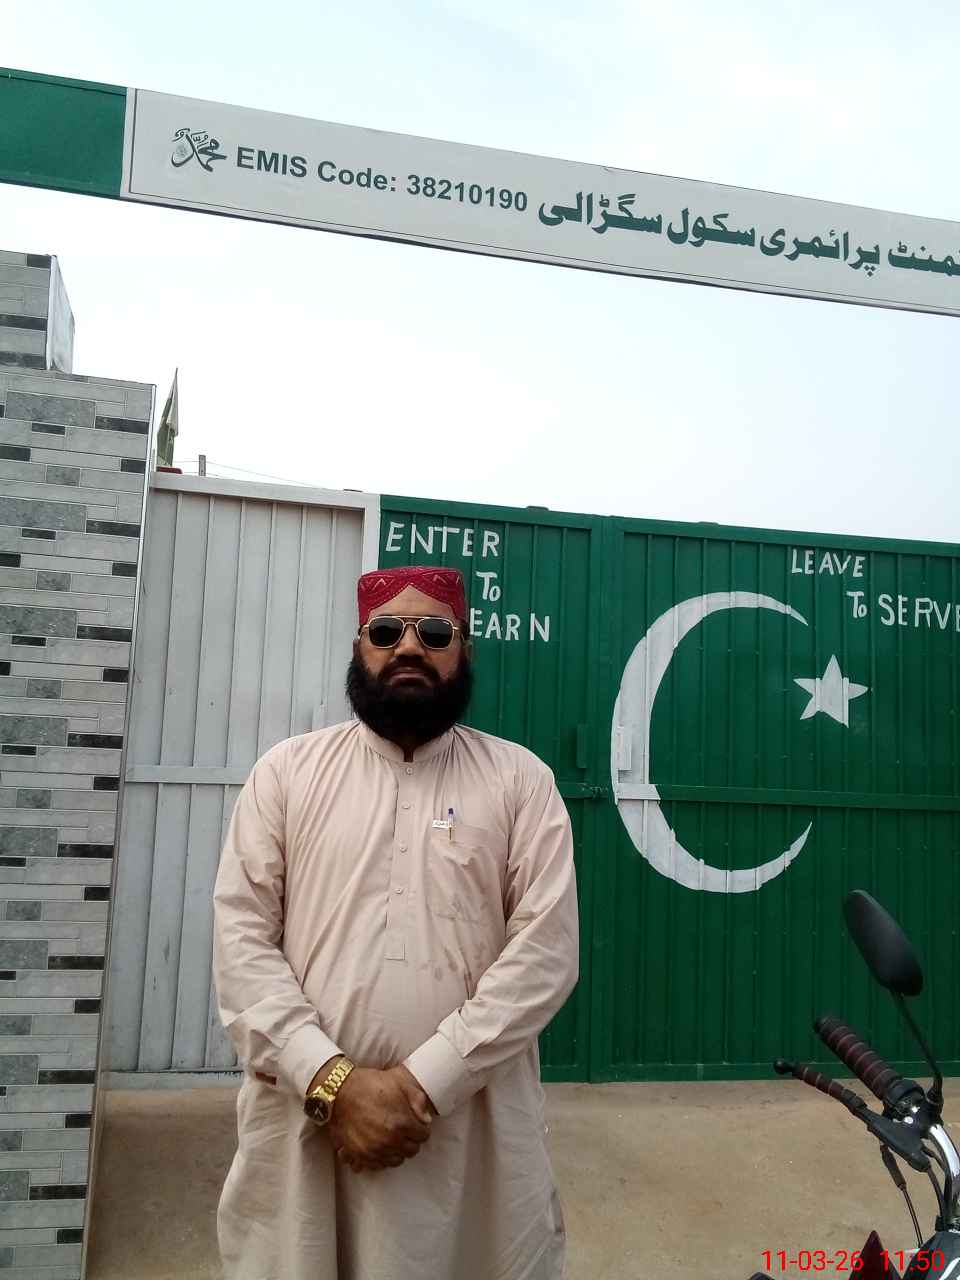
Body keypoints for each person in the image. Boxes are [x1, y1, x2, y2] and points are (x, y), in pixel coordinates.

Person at [213, 564, 579, 1280]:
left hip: (469, 1140)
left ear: (465, 648)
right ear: (360, 646)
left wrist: (425, 1082)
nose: (408, 647)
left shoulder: (521, 782)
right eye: (386, 631)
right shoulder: (286, 774)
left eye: (434, 632)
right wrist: (331, 1082)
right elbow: (241, 940)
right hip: (308, 1128)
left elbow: (546, 952)